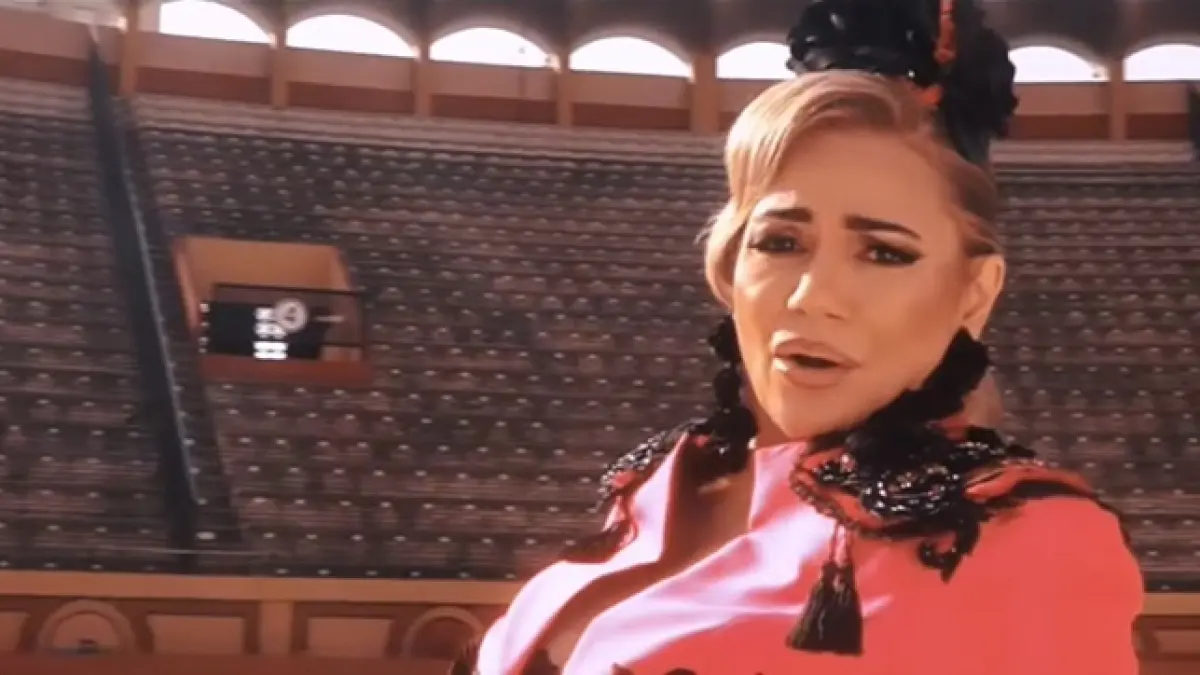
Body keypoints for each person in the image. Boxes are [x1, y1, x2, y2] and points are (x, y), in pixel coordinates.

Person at [452, 0, 1143, 673]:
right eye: (781, 242)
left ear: (974, 294)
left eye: (885, 253)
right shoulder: (661, 484)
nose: (813, 296)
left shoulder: (1030, 540)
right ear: (730, 264)